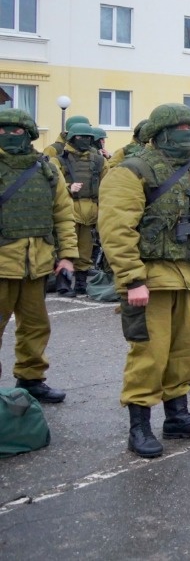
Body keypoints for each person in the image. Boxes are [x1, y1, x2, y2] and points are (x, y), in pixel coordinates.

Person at [98, 103, 190, 458]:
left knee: (181, 353)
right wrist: (132, 279)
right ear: (159, 133)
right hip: (152, 281)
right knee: (148, 354)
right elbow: (117, 229)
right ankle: (139, 425)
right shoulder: (131, 171)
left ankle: (177, 416)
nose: (186, 133)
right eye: (177, 127)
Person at [0, 109, 77, 405]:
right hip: (3, 264)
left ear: (29, 134)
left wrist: (68, 255)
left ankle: (31, 379)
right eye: (4, 129)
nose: (10, 135)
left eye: (17, 131)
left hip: (37, 263)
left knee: (35, 326)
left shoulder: (46, 168)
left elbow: (62, 213)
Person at [55, 122, 105, 295]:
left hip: (91, 209)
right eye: (80, 137)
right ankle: (63, 282)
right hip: (68, 207)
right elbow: (51, 183)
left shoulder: (99, 161)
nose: (84, 140)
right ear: (71, 138)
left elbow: (107, 184)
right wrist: (68, 186)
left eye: (88, 138)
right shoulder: (60, 159)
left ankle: (81, 284)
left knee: (85, 249)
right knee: (66, 245)